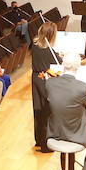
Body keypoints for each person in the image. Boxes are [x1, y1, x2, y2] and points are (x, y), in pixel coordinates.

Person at [29, 22, 60, 154]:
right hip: (44, 80)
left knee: (38, 111)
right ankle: (46, 146)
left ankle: (39, 141)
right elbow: (59, 62)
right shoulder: (48, 51)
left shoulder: (34, 45)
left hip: (36, 78)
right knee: (46, 113)